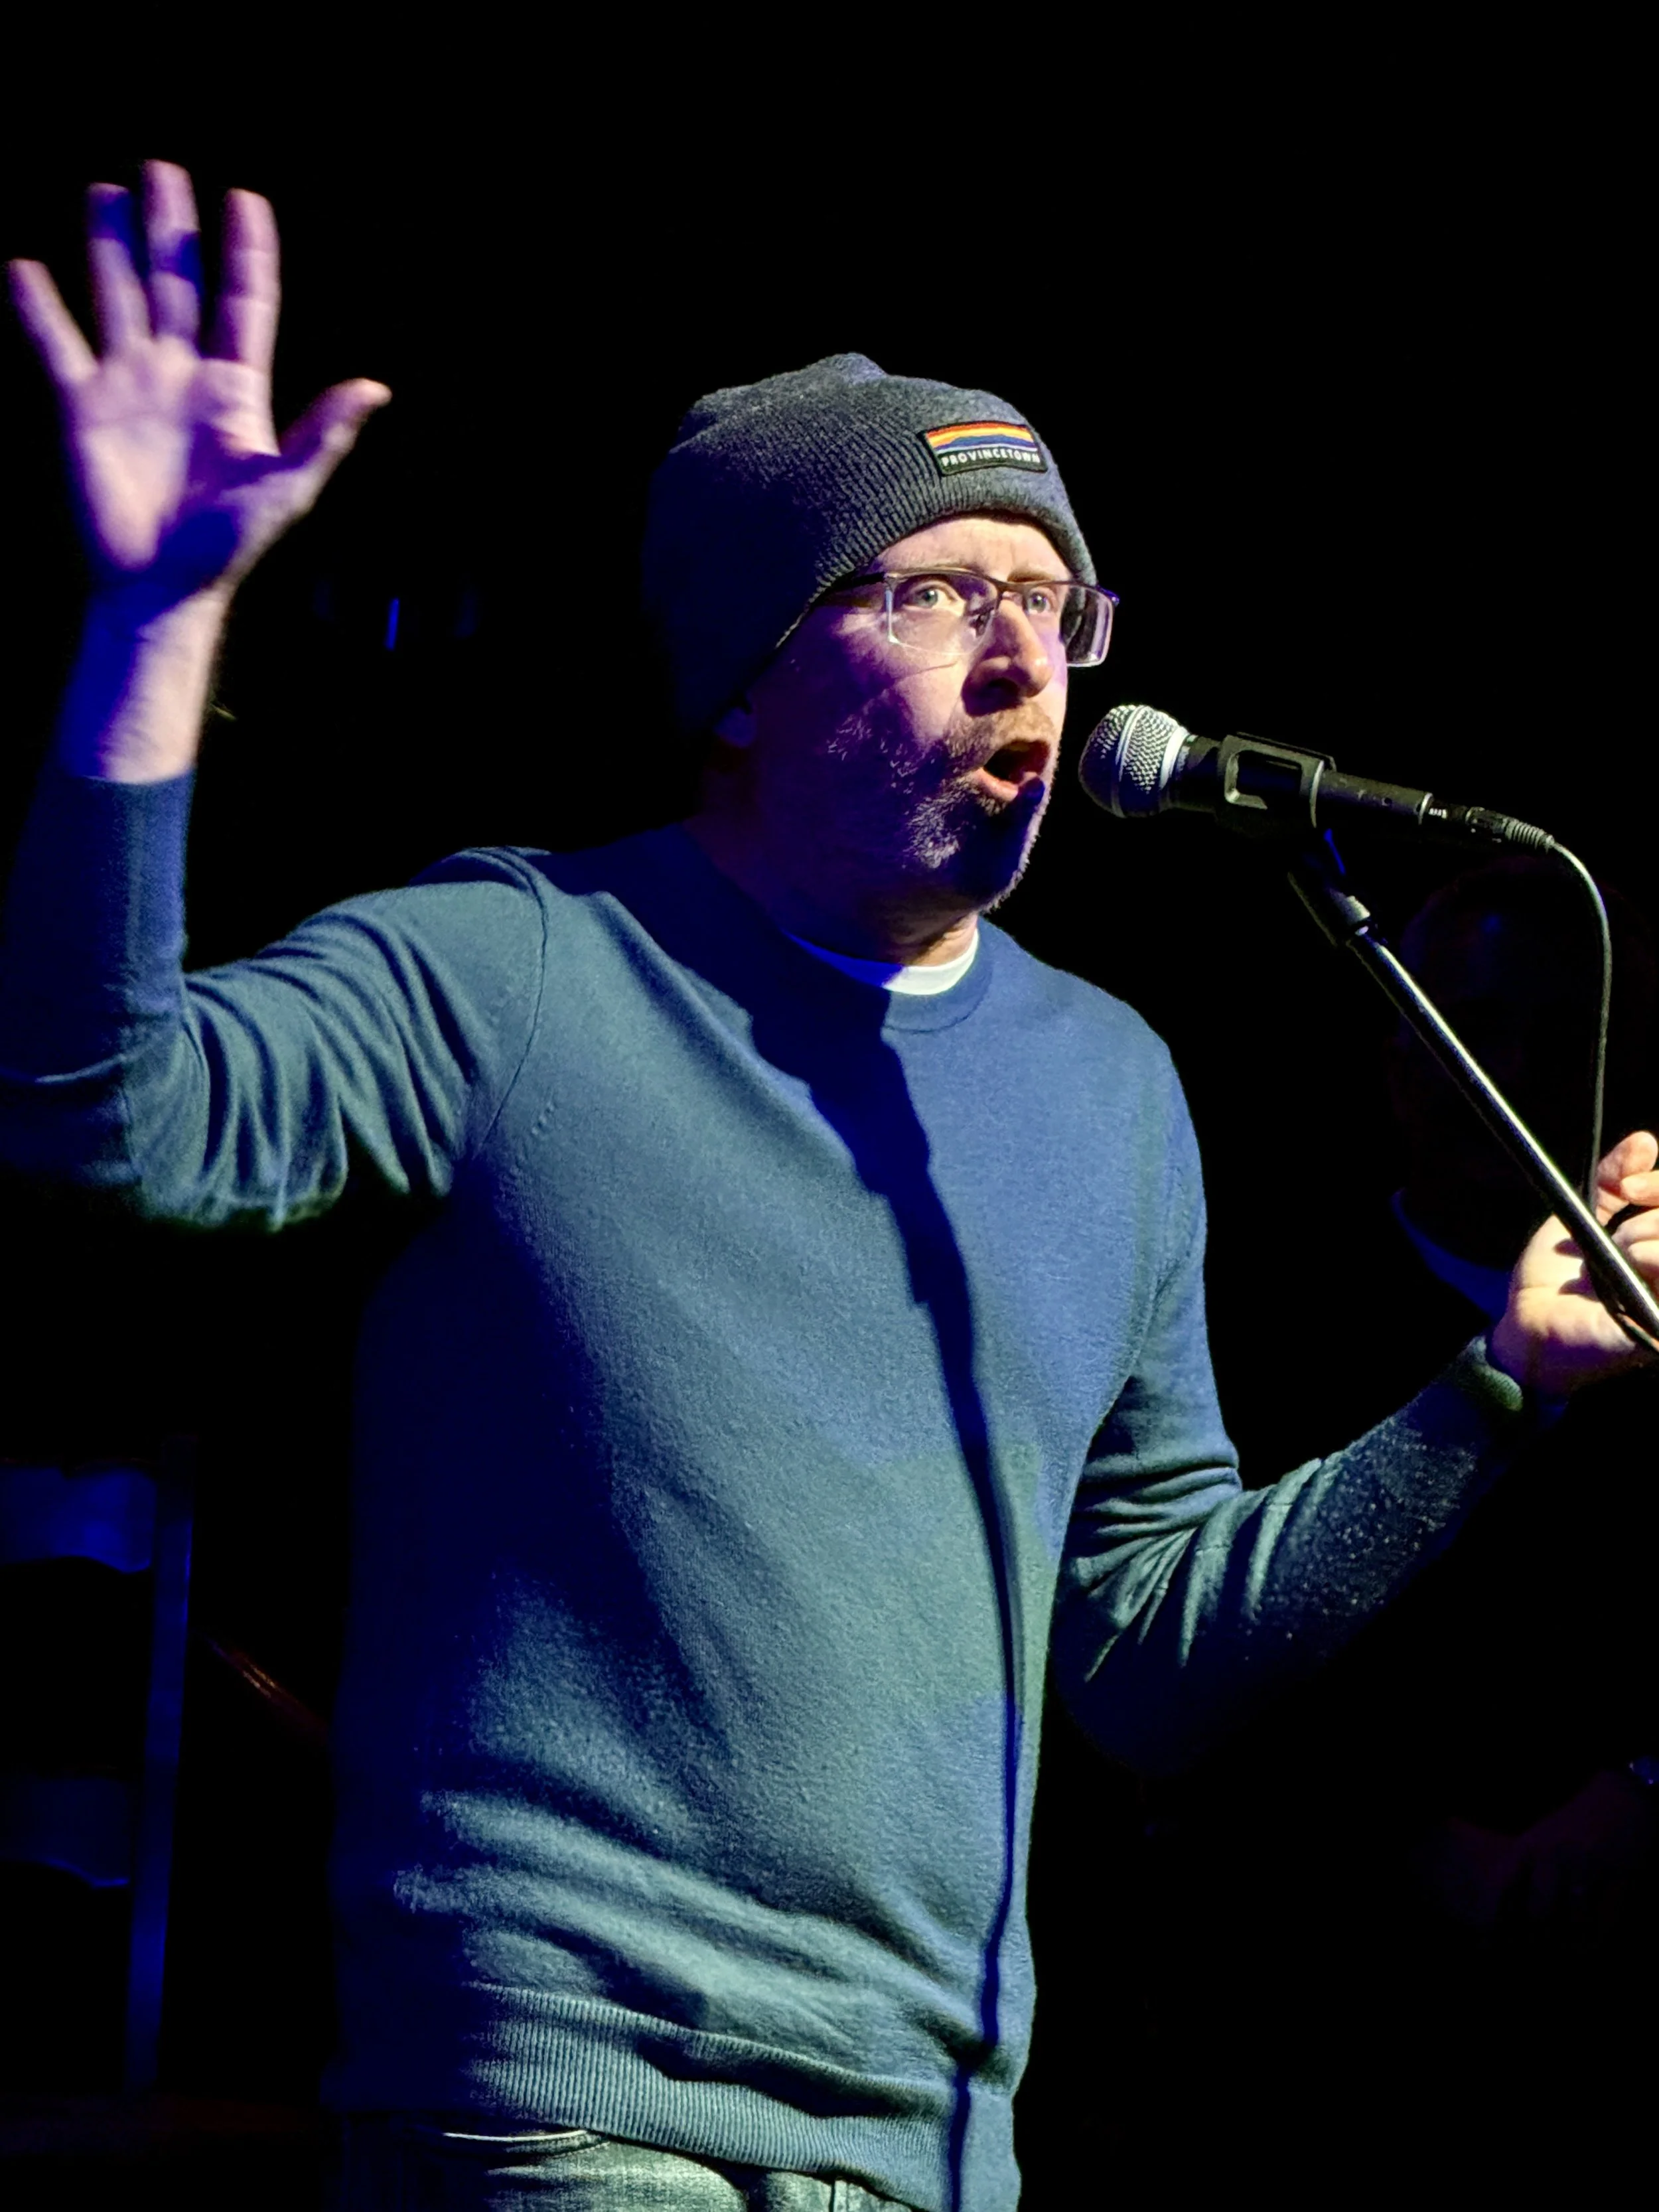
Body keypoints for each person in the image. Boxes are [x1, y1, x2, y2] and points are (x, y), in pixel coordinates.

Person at [4, 162, 1657, 2212]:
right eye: (936, 591)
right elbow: (102, 1111)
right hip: (561, 2109)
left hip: (923, 2144)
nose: (1022, 656)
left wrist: (1492, 1390)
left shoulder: (1109, 1090)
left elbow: (1142, 1663)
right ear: (744, 673)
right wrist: (155, 632)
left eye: (1054, 602)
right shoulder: (520, 965)